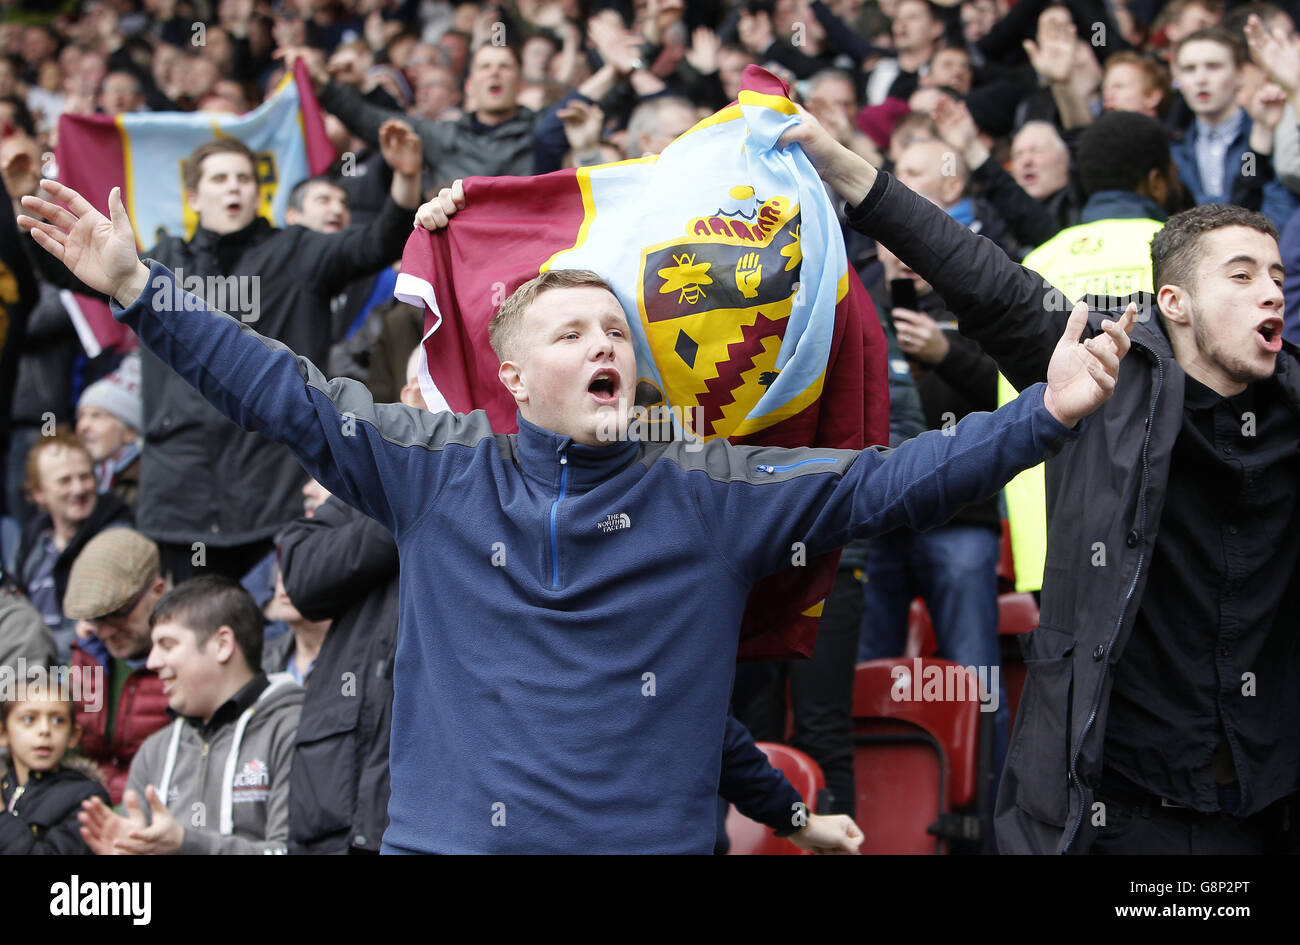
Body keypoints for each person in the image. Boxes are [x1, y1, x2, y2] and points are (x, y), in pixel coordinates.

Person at [18, 170, 1129, 854]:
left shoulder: (706, 487)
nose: (605, 345)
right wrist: (141, 287)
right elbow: (280, 391)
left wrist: (1048, 411)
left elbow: (888, 479)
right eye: (572, 333)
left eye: (616, 335)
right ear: (508, 376)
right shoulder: (435, 468)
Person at [784, 96, 1300, 854]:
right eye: (1244, 274)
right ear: (1175, 302)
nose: (1271, 291)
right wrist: (848, 168)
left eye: (1278, 276)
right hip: (1124, 805)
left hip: (1266, 806)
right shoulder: (1109, 378)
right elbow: (984, 280)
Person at [78, 575, 302, 855]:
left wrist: (187, 844)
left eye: (167, 645)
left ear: (222, 644)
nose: (152, 662)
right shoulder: (154, 750)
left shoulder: (292, 729)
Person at [62, 527, 169, 804]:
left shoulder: (186, 663)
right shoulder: (85, 657)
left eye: (118, 614)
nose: (107, 632)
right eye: (96, 619)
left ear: (157, 591)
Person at [14, 431, 133, 662]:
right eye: (65, 480)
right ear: (38, 493)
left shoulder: (117, 538)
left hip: (82, 672)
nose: (78, 489)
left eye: (85, 477)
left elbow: (91, 631)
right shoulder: (32, 540)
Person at [0, 685, 110, 854]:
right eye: (29, 719)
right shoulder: (4, 788)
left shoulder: (87, 799)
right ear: (3, 734)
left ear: (73, 736)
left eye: (58, 720)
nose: (45, 730)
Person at [75, 352, 142, 508]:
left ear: (130, 432)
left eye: (97, 416)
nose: (83, 426)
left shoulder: (146, 481)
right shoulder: (85, 478)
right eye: (81, 416)